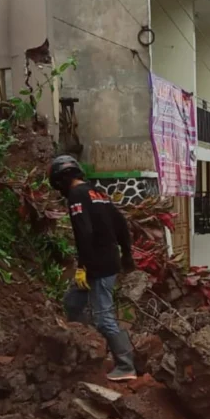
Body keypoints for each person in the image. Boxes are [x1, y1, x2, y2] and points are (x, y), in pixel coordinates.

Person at [49, 155, 138, 382]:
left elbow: (84, 233)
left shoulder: (77, 196)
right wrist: (126, 253)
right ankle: (90, 349)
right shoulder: (98, 193)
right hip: (108, 260)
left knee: (103, 317)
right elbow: (121, 223)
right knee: (73, 302)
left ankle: (126, 365)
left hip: (97, 264)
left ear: (60, 181)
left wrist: (83, 267)